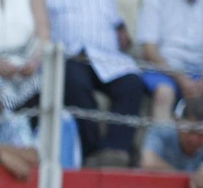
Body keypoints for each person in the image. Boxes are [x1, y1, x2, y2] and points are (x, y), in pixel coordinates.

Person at [47, 0, 145, 167]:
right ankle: (92, 152)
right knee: (75, 82)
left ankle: (115, 151)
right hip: (71, 55)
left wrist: (122, 32)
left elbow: (117, 23)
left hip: (107, 58)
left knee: (132, 84)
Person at [136, 0, 203, 129]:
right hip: (165, 70)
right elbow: (149, 51)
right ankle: (162, 145)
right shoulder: (154, 2)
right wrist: (180, 78)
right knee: (163, 93)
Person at [141, 97, 203, 188]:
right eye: (189, 130)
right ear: (177, 122)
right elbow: (148, 162)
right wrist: (187, 177)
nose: (194, 138)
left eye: (202, 133)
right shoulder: (162, 131)